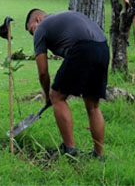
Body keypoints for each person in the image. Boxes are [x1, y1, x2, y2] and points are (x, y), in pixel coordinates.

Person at [26, 9, 108, 158]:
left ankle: (69, 151)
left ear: (37, 20)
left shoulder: (41, 28)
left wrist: (47, 96)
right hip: (103, 47)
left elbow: (43, 72)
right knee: (93, 105)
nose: (34, 35)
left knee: (57, 96)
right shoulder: (62, 17)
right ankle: (98, 155)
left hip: (83, 48)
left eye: (31, 30)